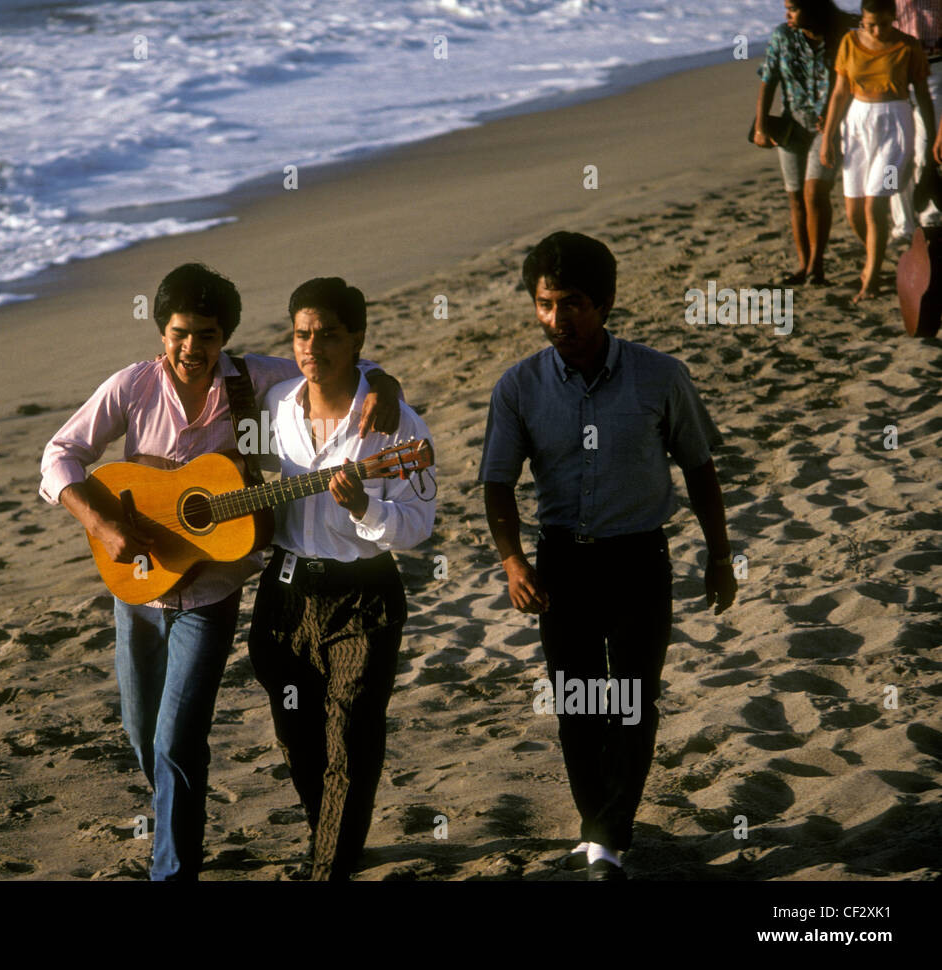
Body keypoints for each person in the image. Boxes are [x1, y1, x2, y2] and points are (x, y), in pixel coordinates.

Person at [38, 263, 402, 880]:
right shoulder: (132, 386)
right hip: (138, 588)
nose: (192, 348)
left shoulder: (253, 379)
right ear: (162, 332)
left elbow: (330, 366)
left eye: (207, 335)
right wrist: (101, 525)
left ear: (224, 336)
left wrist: (381, 381)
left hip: (210, 594)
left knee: (177, 739)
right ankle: (181, 828)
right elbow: (60, 455)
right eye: (181, 333)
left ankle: (173, 870)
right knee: (141, 734)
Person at [479, 232, 736, 881]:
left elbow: (700, 468)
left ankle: (607, 842)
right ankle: (601, 831)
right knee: (577, 704)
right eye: (544, 303)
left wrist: (719, 556)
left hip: (639, 562)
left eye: (571, 304)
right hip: (561, 566)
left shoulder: (661, 376)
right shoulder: (519, 388)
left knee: (632, 702)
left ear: (605, 303)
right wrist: (512, 562)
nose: (556, 319)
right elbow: (497, 484)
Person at [246, 277, 436, 881]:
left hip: (365, 594)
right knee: (298, 737)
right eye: (302, 334)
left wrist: (365, 510)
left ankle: (330, 868)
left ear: (357, 338)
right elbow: (242, 476)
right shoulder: (273, 403)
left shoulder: (398, 424)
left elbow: (416, 528)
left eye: (328, 334)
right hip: (283, 592)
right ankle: (333, 840)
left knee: (352, 736)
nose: (312, 347)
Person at [821, 0, 936, 301]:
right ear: (862, 19)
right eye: (870, 24)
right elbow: (839, 93)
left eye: (884, 24)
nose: (877, 30)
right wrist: (828, 137)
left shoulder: (907, 46)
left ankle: (870, 279)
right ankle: (877, 254)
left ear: (894, 18)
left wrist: (932, 136)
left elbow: (923, 95)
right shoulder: (849, 42)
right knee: (854, 211)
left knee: (876, 202)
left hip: (895, 127)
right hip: (857, 127)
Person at [754, 0, 855, 285]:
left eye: (794, 8)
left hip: (829, 126)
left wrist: (837, 116)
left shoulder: (841, 36)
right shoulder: (782, 36)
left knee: (815, 194)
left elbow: (851, 81)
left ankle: (816, 266)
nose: (787, 14)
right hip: (792, 125)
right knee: (795, 196)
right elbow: (768, 79)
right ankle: (803, 265)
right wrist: (761, 125)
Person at [890, 0, 942, 238]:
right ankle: (902, 223)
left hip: (935, 69)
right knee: (893, 156)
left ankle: (930, 214)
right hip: (894, 71)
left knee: (926, 150)